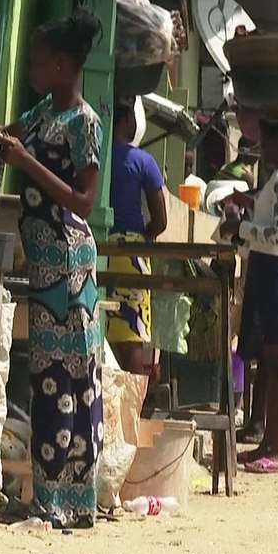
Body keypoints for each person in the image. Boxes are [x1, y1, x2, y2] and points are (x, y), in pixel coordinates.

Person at [0, 12, 106, 528]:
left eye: (36, 61)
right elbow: (8, 134)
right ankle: (52, 499)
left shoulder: (85, 123)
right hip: (47, 267)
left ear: (60, 64)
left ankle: (67, 503)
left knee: (70, 378)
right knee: (49, 378)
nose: (31, 68)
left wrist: (27, 162)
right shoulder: (42, 115)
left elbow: (85, 200)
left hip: (71, 267)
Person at [222, 117, 278, 474]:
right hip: (270, 270)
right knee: (272, 364)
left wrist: (238, 227)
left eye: (267, 141)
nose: (263, 149)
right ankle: (268, 443)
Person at [106, 102, 168, 376]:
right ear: (125, 120)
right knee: (132, 335)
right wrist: (143, 237)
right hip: (131, 251)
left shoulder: (97, 155)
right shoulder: (142, 161)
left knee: (100, 331)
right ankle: (132, 412)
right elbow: (161, 220)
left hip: (95, 245)